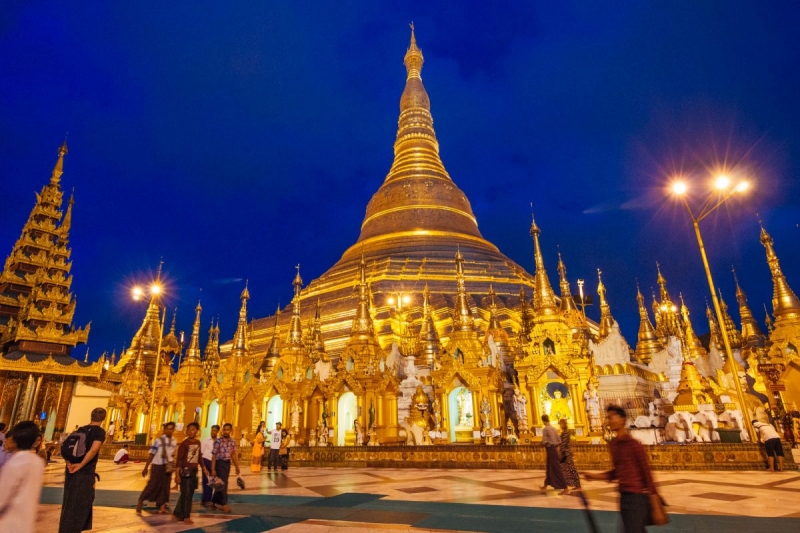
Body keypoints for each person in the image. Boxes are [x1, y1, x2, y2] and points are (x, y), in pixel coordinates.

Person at [584, 405, 660, 533]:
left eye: (612, 417)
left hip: (637, 498)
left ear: (622, 420)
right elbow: (617, 472)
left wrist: (656, 504)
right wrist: (594, 476)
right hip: (624, 497)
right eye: (608, 418)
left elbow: (647, 475)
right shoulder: (613, 445)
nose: (609, 421)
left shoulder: (634, 445)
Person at [59, 407, 107, 533]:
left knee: (69, 501)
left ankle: (65, 529)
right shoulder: (99, 432)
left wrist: (69, 463)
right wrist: (81, 465)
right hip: (84, 472)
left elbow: (65, 447)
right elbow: (93, 450)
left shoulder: (81, 429)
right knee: (81, 502)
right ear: (103, 418)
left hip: (71, 470)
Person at [0, 421, 46, 532]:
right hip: (26, 522)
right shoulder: (37, 462)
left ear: (15, 440)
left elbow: (2, 497)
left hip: (9, 524)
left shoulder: (15, 463)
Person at [136, 422, 176, 514]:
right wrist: (146, 467)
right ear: (164, 430)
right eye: (167, 429)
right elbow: (152, 453)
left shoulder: (174, 440)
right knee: (153, 484)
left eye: (171, 429)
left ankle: (162, 506)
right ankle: (141, 500)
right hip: (157, 465)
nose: (169, 430)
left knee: (165, 486)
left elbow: (173, 453)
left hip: (167, 466)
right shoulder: (158, 441)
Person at [172, 422, 201, 525]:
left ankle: (177, 513)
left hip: (193, 472)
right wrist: (177, 475)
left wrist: (205, 469)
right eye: (188, 430)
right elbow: (179, 460)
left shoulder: (198, 443)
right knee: (187, 495)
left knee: (187, 493)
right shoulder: (184, 443)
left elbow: (199, 458)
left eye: (193, 429)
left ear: (197, 431)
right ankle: (186, 516)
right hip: (185, 471)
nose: (190, 431)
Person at [210, 422, 241, 513]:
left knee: (220, 483)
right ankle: (224, 504)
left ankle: (213, 501)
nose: (226, 431)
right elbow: (214, 455)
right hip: (219, 463)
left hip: (227, 464)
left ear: (231, 431)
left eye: (228, 430)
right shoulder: (218, 441)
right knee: (224, 483)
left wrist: (237, 466)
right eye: (224, 430)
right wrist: (213, 469)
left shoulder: (232, 442)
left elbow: (233, 455)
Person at [539, 415, 569, 495]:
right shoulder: (554, 429)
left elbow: (544, 441)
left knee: (556, 468)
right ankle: (545, 485)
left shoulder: (546, 429)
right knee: (549, 468)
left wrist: (541, 443)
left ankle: (565, 488)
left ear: (543, 420)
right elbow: (559, 440)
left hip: (550, 450)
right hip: (555, 449)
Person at [200, 425, 220, 508]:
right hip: (207, 460)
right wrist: (203, 466)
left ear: (218, 431)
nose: (213, 432)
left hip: (215, 462)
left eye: (215, 430)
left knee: (213, 482)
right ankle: (207, 500)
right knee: (206, 481)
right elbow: (201, 453)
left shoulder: (219, 440)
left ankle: (208, 499)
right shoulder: (206, 441)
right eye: (212, 430)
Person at [558, 418, 581, 491]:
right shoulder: (565, 432)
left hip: (566, 454)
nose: (560, 425)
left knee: (571, 469)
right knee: (566, 469)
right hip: (566, 453)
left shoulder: (566, 432)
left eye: (561, 424)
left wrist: (560, 453)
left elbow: (563, 444)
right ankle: (572, 485)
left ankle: (570, 486)